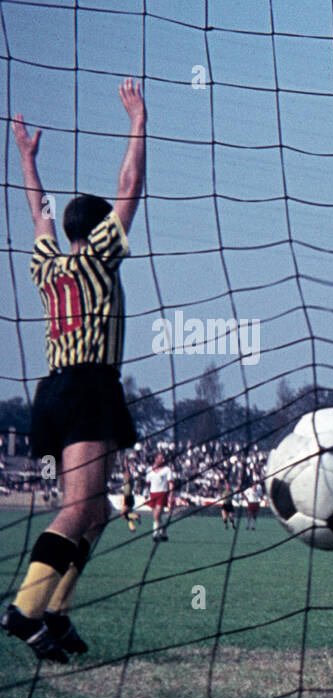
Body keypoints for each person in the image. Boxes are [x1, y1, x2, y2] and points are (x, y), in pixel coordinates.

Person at [3, 79, 146, 663]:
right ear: (99, 228)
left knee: (102, 511)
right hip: (88, 386)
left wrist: (26, 160)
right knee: (79, 508)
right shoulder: (98, 257)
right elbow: (130, 185)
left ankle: (55, 613)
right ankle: (25, 611)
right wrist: (138, 121)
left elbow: (37, 216)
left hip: (56, 392)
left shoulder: (47, 264)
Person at [145, 451, 174, 541]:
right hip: (153, 494)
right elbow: (148, 484)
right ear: (156, 459)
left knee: (157, 515)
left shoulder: (167, 470)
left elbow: (171, 483)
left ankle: (155, 534)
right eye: (161, 458)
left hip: (162, 493)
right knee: (156, 516)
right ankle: (163, 533)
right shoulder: (149, 470)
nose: (163, 460)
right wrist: (146, 493)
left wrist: (171, 495)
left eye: (163, 458)